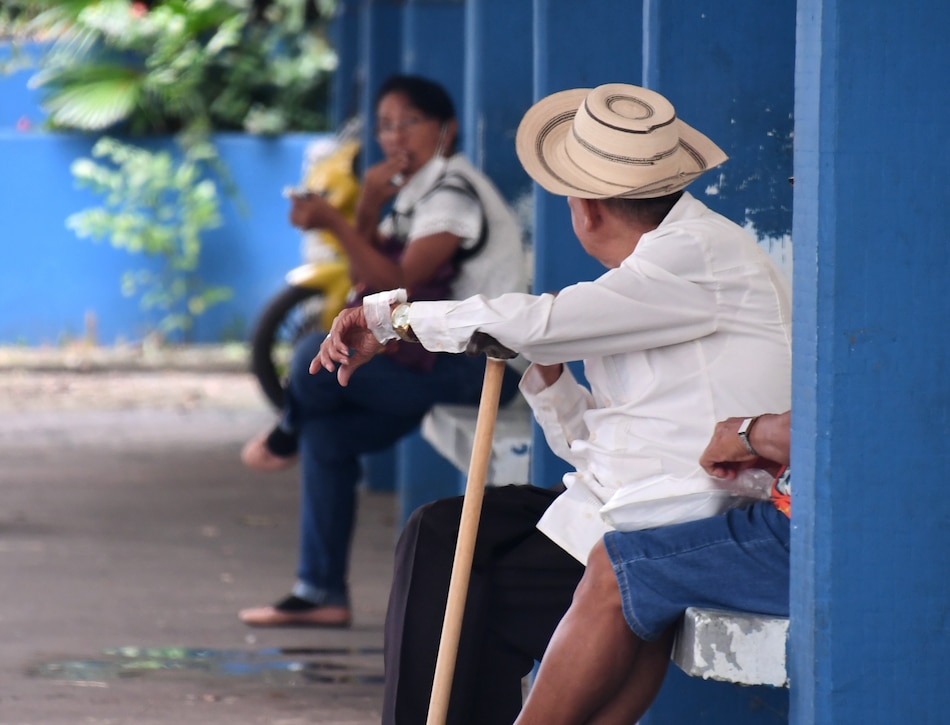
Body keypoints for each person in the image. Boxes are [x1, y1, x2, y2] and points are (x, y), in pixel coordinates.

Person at [313, 83, 792, 723]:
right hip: (623, 500)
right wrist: (541, 374)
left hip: (669, 515)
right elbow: (594, 439)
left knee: (477, 592)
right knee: (442, 533)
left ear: (585, 207)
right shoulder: (655, 275)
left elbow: (544, 320)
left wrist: (389, 318)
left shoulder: (696, 257)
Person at [238, 74, 527, 628]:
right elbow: (367, 286)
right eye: (386, 126)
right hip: (430, 357)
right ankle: (321, 591)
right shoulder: (416, 192)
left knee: (307, 363)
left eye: (409, 122)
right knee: (328, 433)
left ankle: (284, 433)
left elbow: (398, 287)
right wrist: (367, 204)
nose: (396, 137)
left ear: (448, 128)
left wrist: (335, 222)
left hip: (483, 368)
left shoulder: (451, 195)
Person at [516, 411, 791, 724]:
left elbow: (830, 425)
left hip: (808, 536)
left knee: (621, 572)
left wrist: (750, 433)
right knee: (639, 577)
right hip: (793, 515)